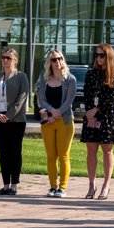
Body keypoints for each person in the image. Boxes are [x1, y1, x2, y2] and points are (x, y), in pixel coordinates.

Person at [81, 43, 114, 200]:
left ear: (109, 56)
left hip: (107, 116)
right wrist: (90, 114)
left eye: (102, 55)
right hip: (91, 116)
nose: (98, 58)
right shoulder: (91, 74)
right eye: (97, 55)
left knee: (107, 150)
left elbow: (112, 98)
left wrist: (96, 111)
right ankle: (92, 184)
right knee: (91, 150)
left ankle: (106, 185)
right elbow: (87, 93)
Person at [0, 47, 30, 195]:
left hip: (16, 120)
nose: (5, 60)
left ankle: (14, 185)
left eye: (8, 58)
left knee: (15, 152)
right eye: (3, 57)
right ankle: (5, 184)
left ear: (15, 60)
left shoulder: (21, 77)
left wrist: (9, 115)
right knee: (3, 153)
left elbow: (22, 98)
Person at [37, 50, 77, 197]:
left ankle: (62, 187)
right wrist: (51, 111)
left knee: (63, 155)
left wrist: (57, 113)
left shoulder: (70, 79)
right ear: (49, 62)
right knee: (51, 156)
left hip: (65, 121)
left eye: (60, 58)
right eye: (54, 59)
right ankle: (53, 187)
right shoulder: (44, 78)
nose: (57, 62)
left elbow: (69, 101)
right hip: (48, 122)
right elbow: (41, 98)